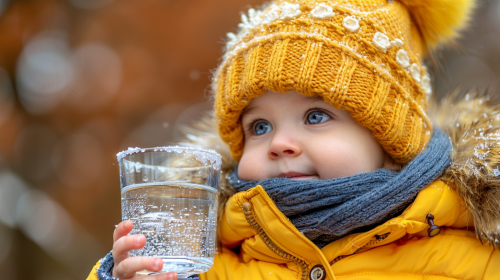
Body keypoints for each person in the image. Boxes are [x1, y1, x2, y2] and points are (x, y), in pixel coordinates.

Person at [87, 0, 500, 279]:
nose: (280, 143)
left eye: (316, 116)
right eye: (259, 126)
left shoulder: (478, 256)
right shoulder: (206, 263)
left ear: (392, 142)